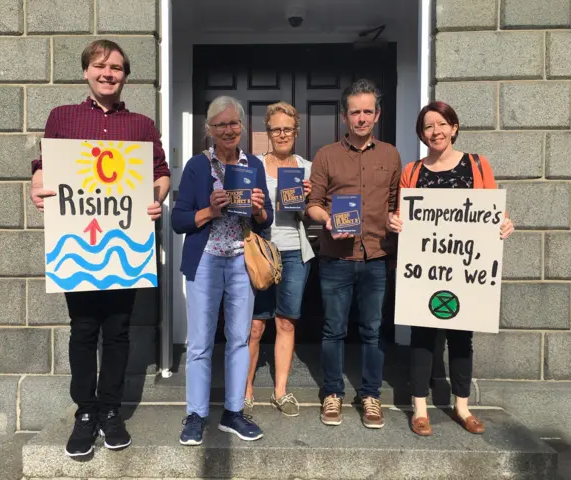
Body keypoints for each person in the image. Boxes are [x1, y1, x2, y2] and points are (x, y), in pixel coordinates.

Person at [29, 40, 171, 457]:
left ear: (126, 75)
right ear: (87, 72)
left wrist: (156, 198)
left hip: (124, 247)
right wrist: (36, 186)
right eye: (100, 66)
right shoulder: (63, 117)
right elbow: (43, 167)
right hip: (78, 247)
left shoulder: (142, 125)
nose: (108, 73)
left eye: (116, 68)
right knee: (84, 330)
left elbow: (160, 173)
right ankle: (85, 413)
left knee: (119, 331)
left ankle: (111, 410)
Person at [386, 101, 514, 436]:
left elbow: (492, 212)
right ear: (421, 134)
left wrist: (503, 225)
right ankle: (419, 409)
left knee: (461, 338)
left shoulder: (476, 165)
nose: (436, 132)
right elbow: (401, 215)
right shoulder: (412, 171)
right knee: (422, 338)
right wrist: (395, 221)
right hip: (425, 270)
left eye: (442, 124)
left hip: (463, 269)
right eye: (428, 127)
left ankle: (461, 406)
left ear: (454, 128)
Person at [171, 96, 273, 445]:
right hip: (206, 260)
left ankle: (232, 412)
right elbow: (179, 220)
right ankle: (196, 415)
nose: (228, 130)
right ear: (209, 130)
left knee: (239, 340)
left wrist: (259, 209)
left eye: (234, 123)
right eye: (220, 125)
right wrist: (208, 212)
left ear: (242, 127)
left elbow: (267, 218)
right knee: (200, 343)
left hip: (242, 261)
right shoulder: (198, 166)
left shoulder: (254, 164)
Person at [306, 79, 401, 428]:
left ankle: (370, 395)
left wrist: (396, 219)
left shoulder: (391, 155)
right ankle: (332, 393)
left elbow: (395, 203)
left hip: (376, 257)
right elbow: (312, 204)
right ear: (344, 117)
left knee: (373, 330)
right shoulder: (326, 155)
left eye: (367, 111)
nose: (361, 118)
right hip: (336, 258)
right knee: (333, 329)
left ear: (377, 115)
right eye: (354, 112)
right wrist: (327, 219)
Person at [243, 102, 314, 418]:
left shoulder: (308, 168)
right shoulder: (253, 166)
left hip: (295, 252)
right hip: (260, 252)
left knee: (286, 320)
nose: (282, 134)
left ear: (296, 132)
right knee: (255, 325)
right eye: (276, 129)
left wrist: (309, 199)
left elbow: (311, 214)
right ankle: (244, 393)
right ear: (267, 132)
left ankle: (280, 391)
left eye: (288, 128)